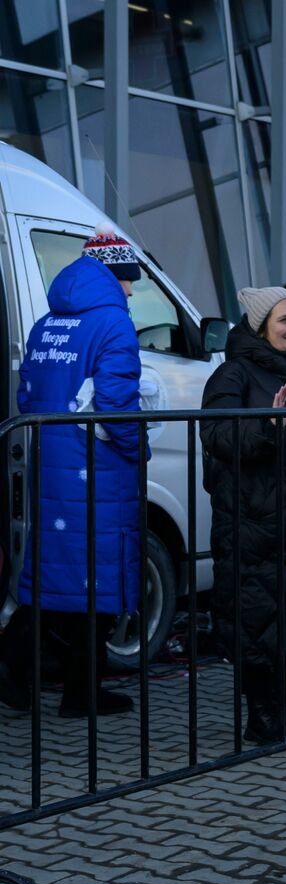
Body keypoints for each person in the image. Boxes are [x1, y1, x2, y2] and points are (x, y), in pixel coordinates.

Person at [0, 227, 146, 716]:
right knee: (97, 575)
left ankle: (73, 688)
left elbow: (25, 396)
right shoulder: (113, 323)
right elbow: (116, 405)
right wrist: (138, 446)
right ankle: (70, 689)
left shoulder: (47, 322)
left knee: (59, 575)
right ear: (114, 273)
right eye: (129, 279)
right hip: (99, 469)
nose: (131, 290)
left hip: (52, 466)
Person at [200, 287, 286, 744]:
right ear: (261, 327)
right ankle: (262, 713)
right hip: (254, 519)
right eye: (284, 320)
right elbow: (217, 436)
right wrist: (265, 428)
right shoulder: (233, 375)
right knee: (258, 617)